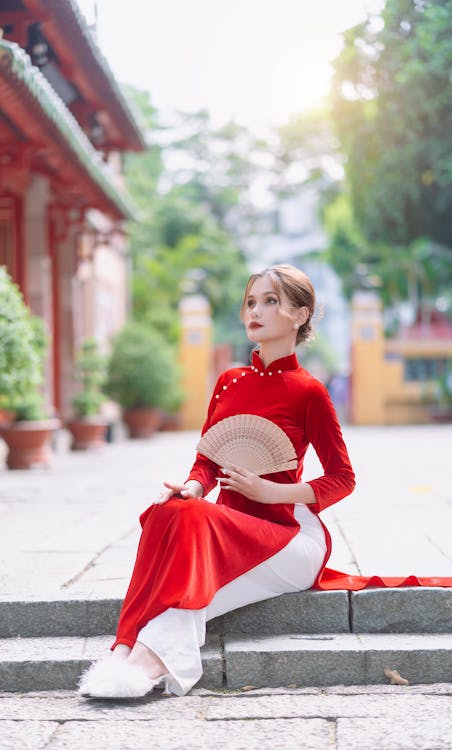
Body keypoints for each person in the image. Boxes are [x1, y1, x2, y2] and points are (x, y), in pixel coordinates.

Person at [78, 264, 356, 700]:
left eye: (270, 301)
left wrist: (273, 492)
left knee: (195, 531)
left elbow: (343, 478)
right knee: (172, 510)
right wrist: (192, 487)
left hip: (287, 535)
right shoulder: (229, 382)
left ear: (300, 315)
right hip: (226, 528)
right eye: (250, 302)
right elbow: (206, 461)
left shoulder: (309, 391)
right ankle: (132, 652)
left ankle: (134, 659)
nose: (255, 311)